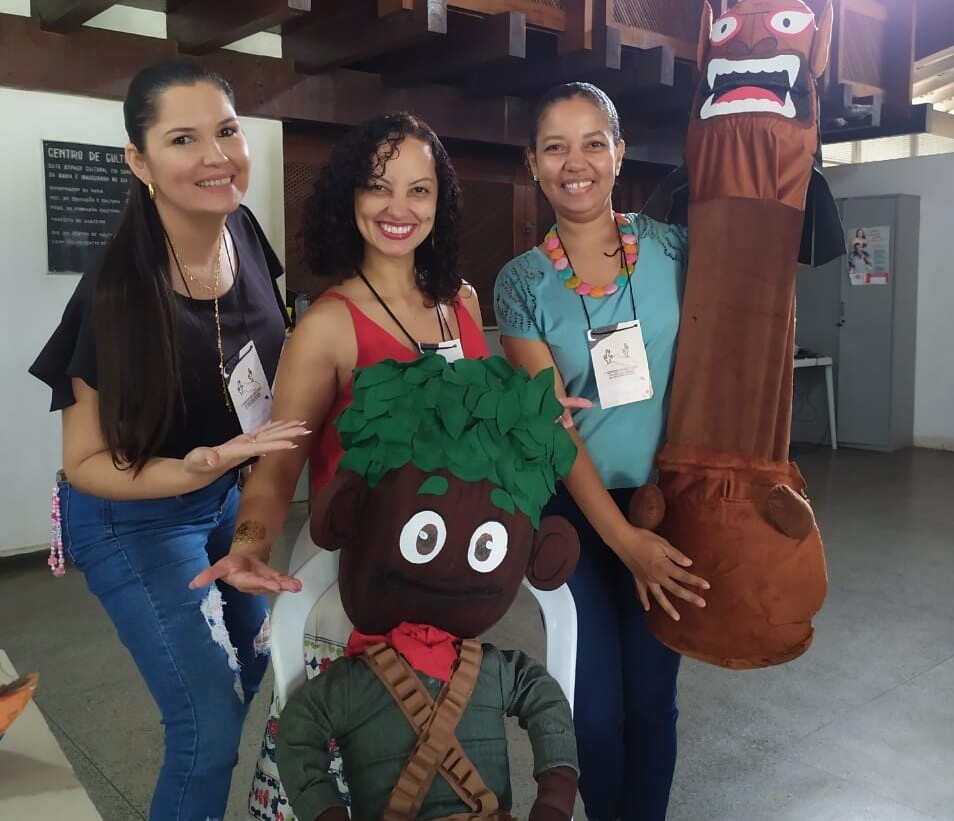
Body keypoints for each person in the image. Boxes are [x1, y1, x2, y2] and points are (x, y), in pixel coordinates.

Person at [188, 111, 490, 821]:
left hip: (451, 576)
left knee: (436, 761)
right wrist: (251, 545)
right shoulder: (329, 322)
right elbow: (280, 459)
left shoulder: (461, 303)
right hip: (356, 577)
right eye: (379, 188)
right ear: (350, 197)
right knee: (347, 774)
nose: (398, 209)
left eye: (419, 191)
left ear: (439, 204)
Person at [29, 60, 306, 820]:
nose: (216, 156)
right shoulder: (117, 291)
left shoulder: (244, 230)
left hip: (220, 496)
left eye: (226, 130)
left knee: (249, 672)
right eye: (183, 138)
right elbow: (83, 464)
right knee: (207, 726)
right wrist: (194, 467)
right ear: (139, 161)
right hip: (131, 516)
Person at [493, 82, 710, 821]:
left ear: (619, 153)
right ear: (533, 163)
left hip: (666, 505)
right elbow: (554, 426)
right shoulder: (521, 282)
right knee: (593, 711)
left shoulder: (675, 249)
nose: (574, 161)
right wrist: (623, 542)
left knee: (653, 701)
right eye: (555, 146)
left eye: (593, 142)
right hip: (574, 514)